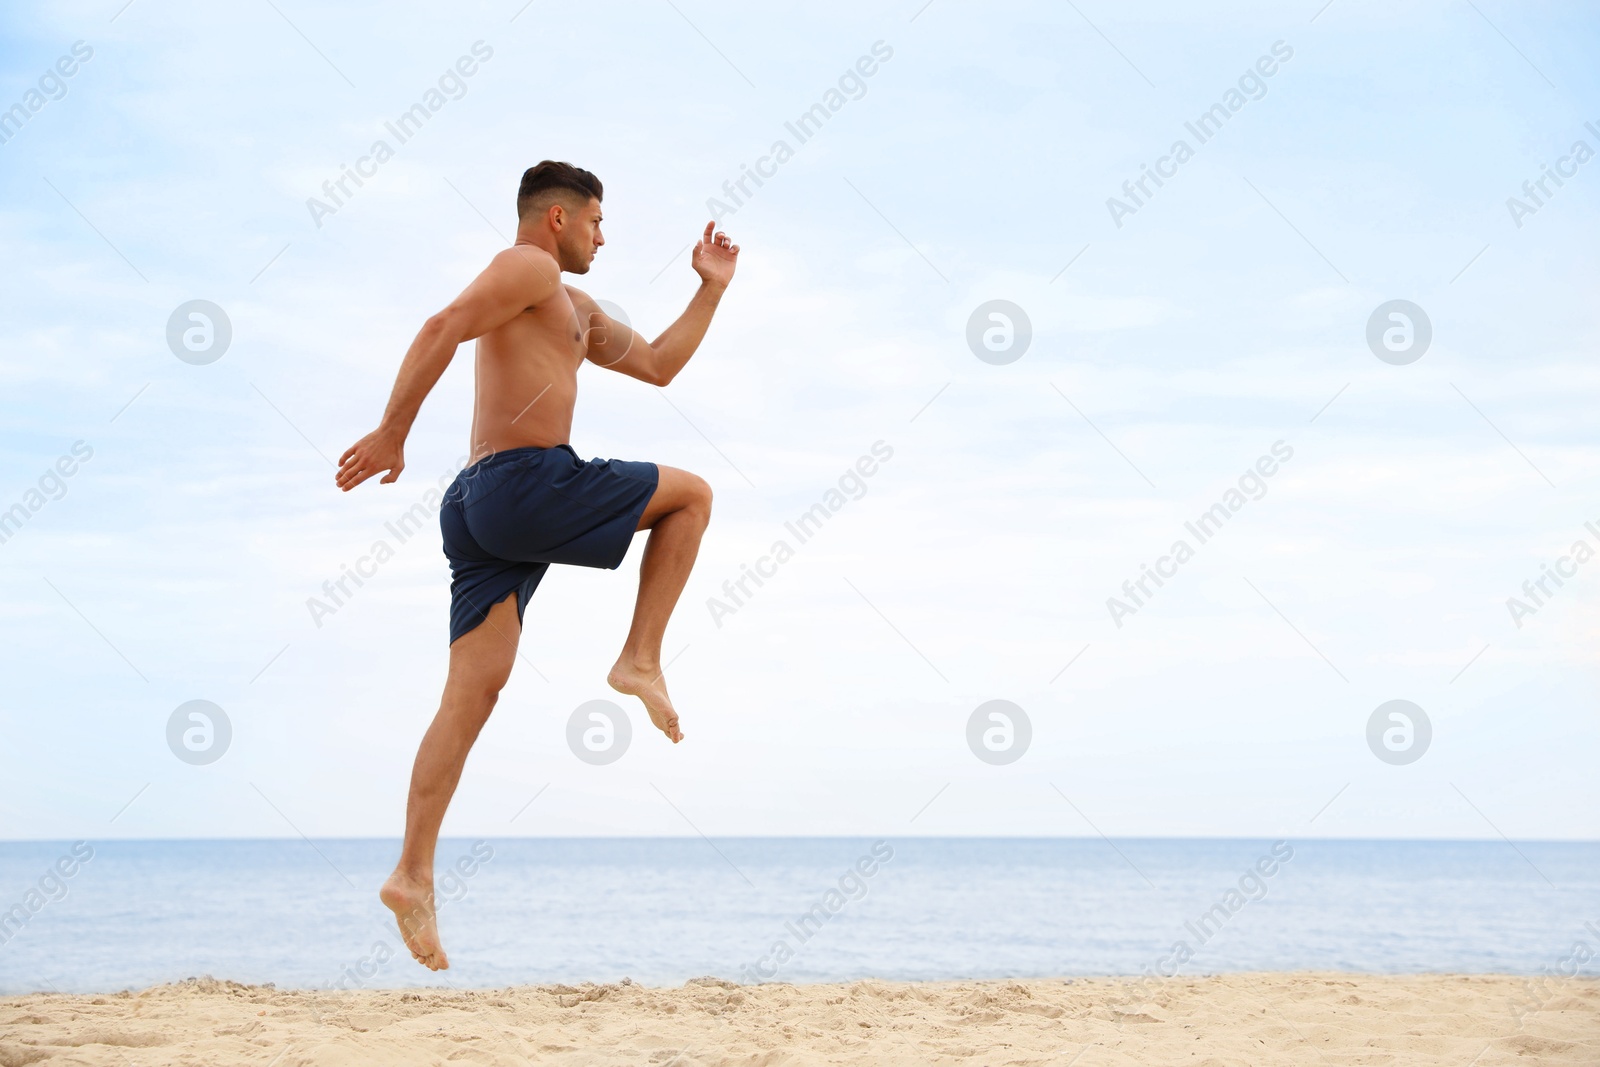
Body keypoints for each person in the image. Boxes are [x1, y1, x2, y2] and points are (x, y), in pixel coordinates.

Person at [334, 160, 738, 970]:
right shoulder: (528, 266)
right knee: (691, 496)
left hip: (479, 512)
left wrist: (711, 288)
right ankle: (639, 657)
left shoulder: (575, 308)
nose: (603, 235)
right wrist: (391, 430)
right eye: (596, 221)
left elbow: (658, 363)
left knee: (471, 693)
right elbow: (441, 326)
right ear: (557, 217)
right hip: (521, 481)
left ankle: (412, 874)